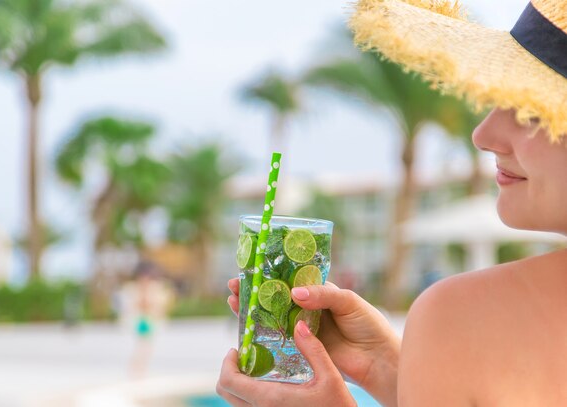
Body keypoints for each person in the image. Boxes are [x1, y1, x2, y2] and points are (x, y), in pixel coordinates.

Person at [217, 0, 567, 405]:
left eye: (532, 111)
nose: (484, 134)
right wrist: (390, 366)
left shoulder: (462, 316)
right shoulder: (461, 326)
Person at [119, 260, 174, 378]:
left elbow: (160, 305)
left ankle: (139, 368)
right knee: (143, 346)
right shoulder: (135, 289)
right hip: (141, 320)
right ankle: (137, 369)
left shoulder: (153, 288)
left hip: (147, 320)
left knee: (145, 346)